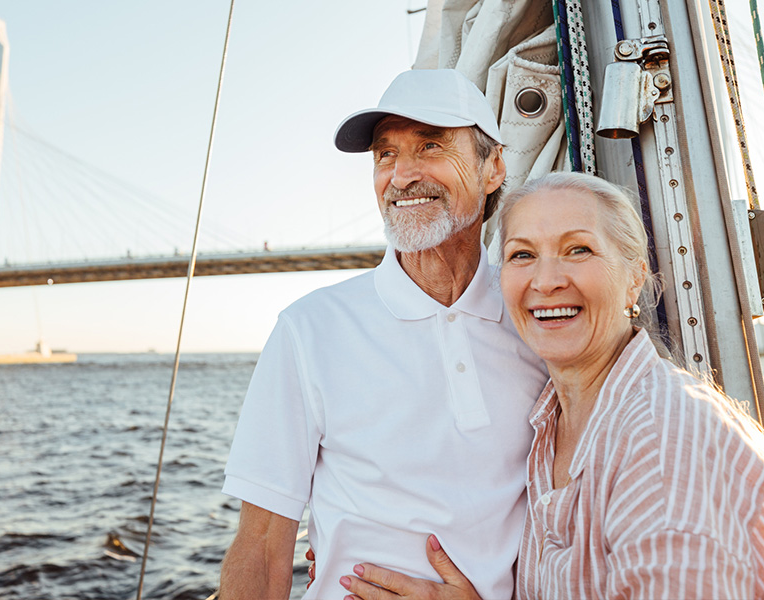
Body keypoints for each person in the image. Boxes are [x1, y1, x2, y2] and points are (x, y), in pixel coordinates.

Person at [338, 172, 764, 600]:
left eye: (579, 249)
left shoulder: (660, 442)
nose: (546, 279)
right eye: (521, 254)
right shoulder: (549, 423)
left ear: (633, 276)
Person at [216, 69, 548, 599]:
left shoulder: (539, 322)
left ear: (493, 168)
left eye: (431, 146)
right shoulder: (309, 330)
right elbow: (259, 545)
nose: (401, 176)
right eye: (385, 155)